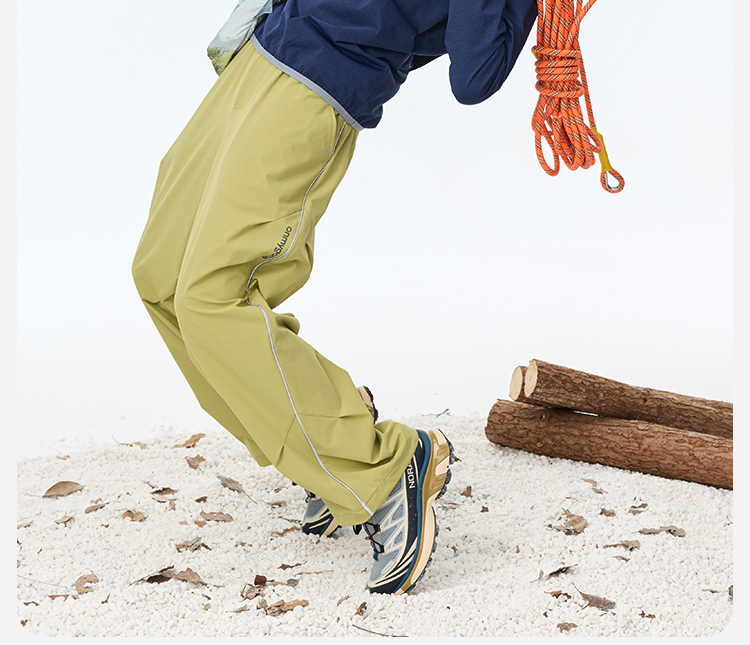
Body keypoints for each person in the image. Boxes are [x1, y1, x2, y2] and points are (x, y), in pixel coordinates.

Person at [131, 0, 537, 595]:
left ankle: (381, 466)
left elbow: (475, 75)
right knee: (160, 276)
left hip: (319, 83)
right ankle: (322, 442)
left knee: (212, 297)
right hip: (260, 53)